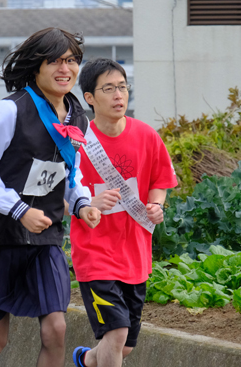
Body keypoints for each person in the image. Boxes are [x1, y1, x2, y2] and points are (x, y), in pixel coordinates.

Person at [0, 27, 101, 367]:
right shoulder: (8, 111)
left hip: (45, 241)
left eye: (71, 61)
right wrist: (20, 210)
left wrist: (82, 202)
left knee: (56, 330)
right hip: (1, 237)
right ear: (35, 67)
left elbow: (72, 172)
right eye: (53, 61)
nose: (64, 69)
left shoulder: (77, 117)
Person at [70, 58, 178, 367]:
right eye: (108, 89)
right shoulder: (76, 144)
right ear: (89, 97)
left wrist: (157, 205)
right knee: (116, 334)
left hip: (135, 254)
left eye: (122, 87)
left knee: (123, 346)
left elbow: (161, 181)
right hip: (95, 255)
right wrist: (88, 204)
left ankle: (86, 360)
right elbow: (58, 198)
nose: (119, 95)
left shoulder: (146, 136)